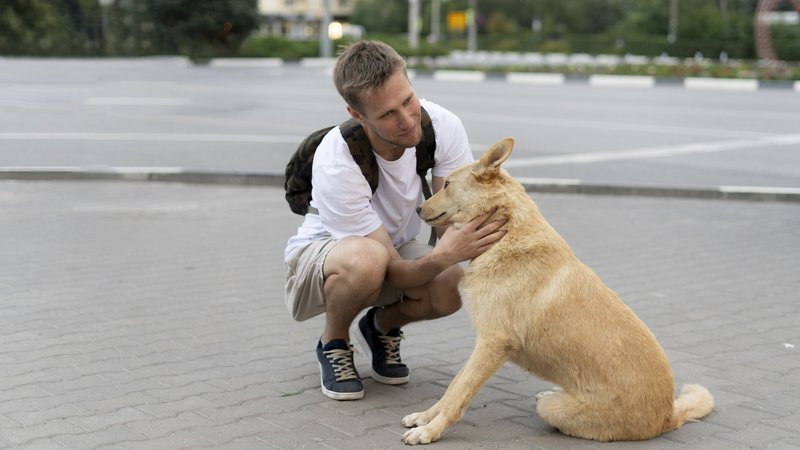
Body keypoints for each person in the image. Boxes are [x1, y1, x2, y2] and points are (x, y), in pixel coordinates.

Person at [284, 40, 506, 401]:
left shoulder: (441, 127)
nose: (406, 120)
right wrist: (446, 254)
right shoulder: (337, 162)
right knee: (367, 262)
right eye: (387, 114)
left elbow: (449, 224)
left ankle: (380, 327)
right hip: (323, 259)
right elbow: (394, 269)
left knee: (452, 288)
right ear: (358, 115)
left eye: (408, 100)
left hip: (392, 250)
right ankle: (334, 341)